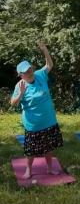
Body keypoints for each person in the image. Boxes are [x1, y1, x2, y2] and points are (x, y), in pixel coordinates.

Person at [10, 41, 63, 179]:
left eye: (29, 69)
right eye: (25, 72)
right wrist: (21, 93)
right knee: (31, 151)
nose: (29, 72)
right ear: (20, 75)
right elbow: (13, 104)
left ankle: (50, 169)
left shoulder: (40, 75)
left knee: (49, 147)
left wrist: (45, 49)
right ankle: (28, 170)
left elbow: (50, 65)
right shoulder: (20, 85)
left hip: (49, 121)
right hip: (33, 124)